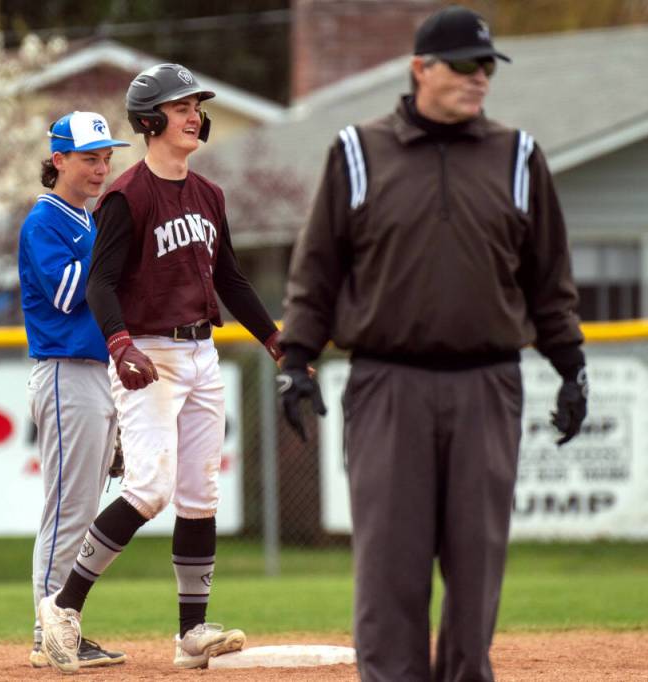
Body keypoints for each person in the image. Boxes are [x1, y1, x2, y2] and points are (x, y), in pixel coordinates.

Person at [276, 6, 588, 681]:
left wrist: (571, 368)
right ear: (421, 68)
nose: (480, 78)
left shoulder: (518, 156)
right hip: (388, 383)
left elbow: (549, 278)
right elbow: (317, 271)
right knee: (391, 564)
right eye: (466, 65)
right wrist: (296, 360)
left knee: (477, 563)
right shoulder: (357, 154)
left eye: (488, 67)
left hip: (488, 383)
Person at [35, 63, 284, 674]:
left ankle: (191, 632)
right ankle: (63, 610)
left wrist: (277, 338)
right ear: (149, 121)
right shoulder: (126, 195)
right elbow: (100, 283)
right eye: (179, 107)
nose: (193, 114)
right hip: (149, 356)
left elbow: (229, 277)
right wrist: (120, 344)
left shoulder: (209, 195)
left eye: (196, 104)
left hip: (202, 352)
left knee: (200, 495)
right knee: (149, 489)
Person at [19, 111, 131, 670]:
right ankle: (49, 635)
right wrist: (109, 239)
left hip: (97, 373)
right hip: (65, 372)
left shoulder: (86, 220)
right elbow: (69, 294)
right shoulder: (47, 220)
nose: (101, 167)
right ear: (58, 160)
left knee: (83, 510)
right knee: (67, 511)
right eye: (90, 157)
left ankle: (63, 628)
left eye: (107, 157)